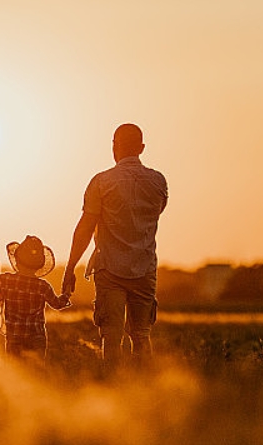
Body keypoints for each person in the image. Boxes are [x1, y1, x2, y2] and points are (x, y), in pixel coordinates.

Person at [61, 123, 168, 372]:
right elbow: (157, 213)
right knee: (141, 334)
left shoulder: (102, 182)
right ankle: (143, 389)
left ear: (114, 146)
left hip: (109, 269)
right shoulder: (158, 181)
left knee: (111, 335)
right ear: (141, 148)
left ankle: (113, 386)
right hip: (145, 267)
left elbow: (85, 227)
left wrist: (70, 268)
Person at [0, 235, 71, 366]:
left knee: (17, 369)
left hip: (14, 338)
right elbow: (57, 304)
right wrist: (67, 295)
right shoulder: (43, 286)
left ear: (17, 260)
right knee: (37, 371)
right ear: (39, 265)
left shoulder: (8, 281)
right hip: (37, 338)